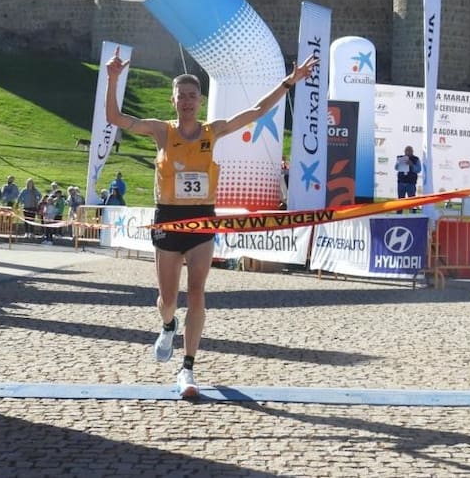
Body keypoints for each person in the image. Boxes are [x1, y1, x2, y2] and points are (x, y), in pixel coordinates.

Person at [104, 48, 320, 399]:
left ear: (200, 101)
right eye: (182, 96)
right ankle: (167, 324)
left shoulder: (212, 131)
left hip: (202, 219)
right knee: (168, 299)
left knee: (198, 292)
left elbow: (256, 112)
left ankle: (187, 368)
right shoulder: (161, 131)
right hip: (169, 222)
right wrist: (113, 77)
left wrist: (288, 83)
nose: (187, 101)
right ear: (173, 100)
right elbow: (115, 117)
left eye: (193, 96)